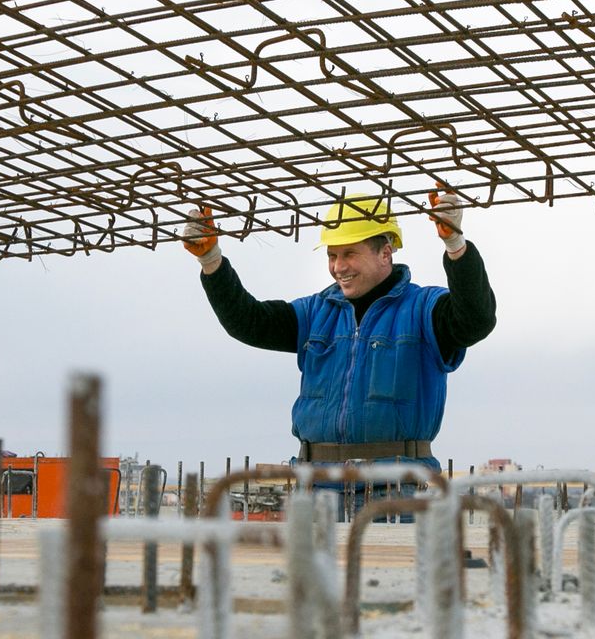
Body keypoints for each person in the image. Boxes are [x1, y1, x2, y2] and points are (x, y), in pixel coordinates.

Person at [182, 186, 496, 484]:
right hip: (316, 488)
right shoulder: (316, 313)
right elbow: (248, 322)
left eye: (349, 254)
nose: (338, 266)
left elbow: (475, 320)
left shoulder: (423, 310)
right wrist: (211, 261)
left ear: (385, 253)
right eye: (332, 255)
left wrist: (455, 245)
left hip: (395, 493)